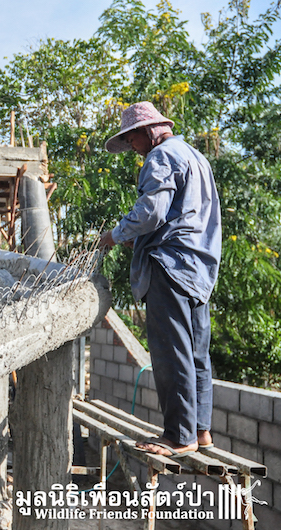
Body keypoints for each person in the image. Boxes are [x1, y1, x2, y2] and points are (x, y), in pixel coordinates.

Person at [99, 101, 221, 457]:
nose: (132, 147)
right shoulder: (196, 157)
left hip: (169, 267)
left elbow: (150, 212)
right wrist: (140, 236)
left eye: (131, 139)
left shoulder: (161, 156)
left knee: (170, 353)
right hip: (198, 267)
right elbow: (186, 216)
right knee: (196, 352)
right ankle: (200, 430)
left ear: (147, 131)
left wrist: (115, 235)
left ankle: (178, 436)